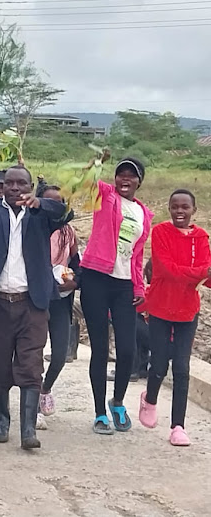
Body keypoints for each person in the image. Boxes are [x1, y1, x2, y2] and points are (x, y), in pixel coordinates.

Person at [0, 166, 67, 449]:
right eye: (9, 183)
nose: (15, 188)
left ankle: (29, 430)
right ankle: (1, 423)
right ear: (1, 186)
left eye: (21, 183)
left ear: (30, 186)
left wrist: (41, 202)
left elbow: (62, 213)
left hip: (31, 303)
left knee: (31, 366)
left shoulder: (41, 212)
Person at [80, 157, 152, 435]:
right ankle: (100, 412)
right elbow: (87, 181)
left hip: (123, 286)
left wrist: (138, 287)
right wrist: (96, 161)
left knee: (127, 349)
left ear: (139, 181)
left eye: (131, 176)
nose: (125, 179)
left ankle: (117, 402)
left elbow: (137, 255)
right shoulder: (106, 196)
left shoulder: (143, 213)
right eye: (120, 174)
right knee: (100, 349)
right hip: (96, 279)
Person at [139, 189, 210, 446]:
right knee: (159, 365)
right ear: (169, 208)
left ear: (194, 210)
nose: (180, 211)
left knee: (181, 368)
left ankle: (178, 426)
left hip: (188, 311)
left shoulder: (202, 236)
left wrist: (204, 273)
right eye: (175, 207)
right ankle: (150, 398)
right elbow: (167, 270)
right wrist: (201, 271)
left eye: (185, 207)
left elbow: (206, 277)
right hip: (160, 308)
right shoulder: (160, 232)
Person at [38, 186, 80, 427]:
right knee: (34, 352)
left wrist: (76, 280)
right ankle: (33, 406)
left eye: (59, 202)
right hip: (38, 297)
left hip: (62, 299)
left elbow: (75, 259)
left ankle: (45, 389)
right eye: (48, 201)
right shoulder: (33, 228)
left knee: (60, 354)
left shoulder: (67, 230)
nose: (54, 206)